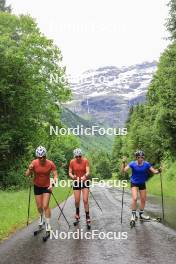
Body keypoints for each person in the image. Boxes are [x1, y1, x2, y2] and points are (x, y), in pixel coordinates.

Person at [122, 150, 161, 222]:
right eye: (139, 157)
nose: (140, 159)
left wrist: (159, 170)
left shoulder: (147, 164)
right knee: (135, 198)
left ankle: (141, 215)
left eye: (142, 157)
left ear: (143, 157)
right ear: (136, 158)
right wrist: (123, 163)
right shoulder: (132, 163)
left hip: (142, 183)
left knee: (143, 199)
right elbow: (124, 170)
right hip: (134, 183)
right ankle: (133, 215)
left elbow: (154, 171)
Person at [25, 146, 58, 231]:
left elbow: (55, 175)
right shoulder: (34, 163)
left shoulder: (50, 163)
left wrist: (53, 184)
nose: (42, 159)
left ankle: (47, 224)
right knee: (39, 207)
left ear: (45, 156)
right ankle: (41, 217)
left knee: (45, 205)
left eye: (43, 157)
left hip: (47, 186)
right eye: (40, 157)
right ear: (37, 157)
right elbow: (27, 174)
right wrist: (29, 169)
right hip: (37, 186)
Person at [69, 148, 90, 225]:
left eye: (79, 156)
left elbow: (88, 172)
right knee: (77, 201)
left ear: (81, 155)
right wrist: (72, 176)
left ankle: (87, 216)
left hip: (85, 181)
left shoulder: (85, 161)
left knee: (85, 200)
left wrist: (85, 176)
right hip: (76, 182)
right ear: (74, 156)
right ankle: (77, 214)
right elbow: (70, 172)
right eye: (76, 156)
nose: (78, 158)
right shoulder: (72, 162)